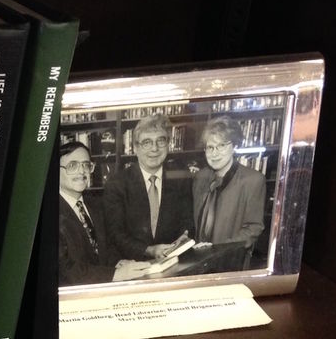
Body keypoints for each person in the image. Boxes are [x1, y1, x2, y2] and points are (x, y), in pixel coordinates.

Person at [103, 114, 194, 261]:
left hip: (173, 262)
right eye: (147, 142)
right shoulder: (117, 183)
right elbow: (116, 234)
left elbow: (187, 221)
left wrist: (184, 238)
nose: (155, 149)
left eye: (161, 141)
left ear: (168, 144)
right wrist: (149, 250)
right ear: (135, 148)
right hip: (133, 265)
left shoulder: (180, 178)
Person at [58, 141, 150, 285]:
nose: (82, 171)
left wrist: (118, 262)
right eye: (72, 166)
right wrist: (116, 274)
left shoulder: (95, 205)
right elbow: (64, 268)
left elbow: (105, 247)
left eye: (86, 165)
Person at [193, 116, 266, 250]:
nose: (214, 154)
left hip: (230, 260)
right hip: (198, 260)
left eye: (221, 145)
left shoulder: (253, 180)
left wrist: (217, 250)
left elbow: (253, 229)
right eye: (210, 147)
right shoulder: (200, 178)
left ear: (234, 146)